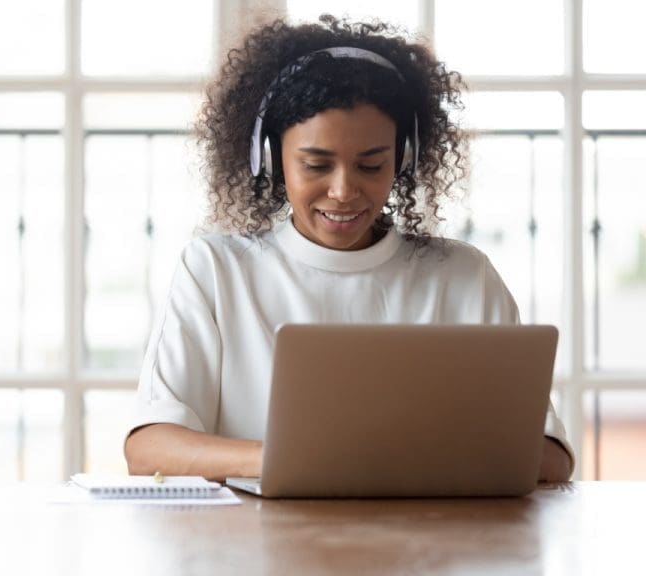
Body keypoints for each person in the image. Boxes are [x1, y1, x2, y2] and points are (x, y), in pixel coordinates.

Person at [124, 15, 574, 483]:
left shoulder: (463, 276)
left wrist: (363, 458)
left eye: (371, 165)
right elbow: (149, 449)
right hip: (253, 549)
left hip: (430, 547)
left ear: (404, 160)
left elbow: (550, 459)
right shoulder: (215, 271)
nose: (343, 191)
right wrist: (292, 460)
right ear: (270, 158)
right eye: (316, 164)